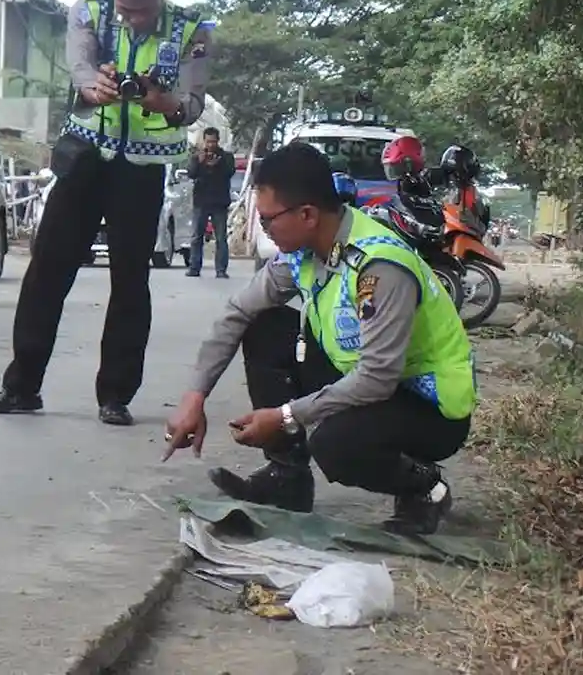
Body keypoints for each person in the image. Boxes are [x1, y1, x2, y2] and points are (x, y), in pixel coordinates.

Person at [161, 142, 476, 535]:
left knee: (334, 445)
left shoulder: (380, 267)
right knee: (265, 325)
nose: (265, 230)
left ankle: (425, 487)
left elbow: (377, 377)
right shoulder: (305, 252)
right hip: (372, 382)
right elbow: (237, 312)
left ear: (307, 214)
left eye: (269, 219)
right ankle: (286, 479)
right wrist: (195, 397)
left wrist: (284, 417)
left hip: (427, 407)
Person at [0, 0, 214, 426]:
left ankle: (116, 395)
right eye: (126, 9)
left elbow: (191, 104)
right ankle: (21, 386)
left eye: (142, 10)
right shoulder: (90, 9)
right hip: (85, 157)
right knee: (46, 271)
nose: (131, 19)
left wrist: (159, 99)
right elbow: (79, 65)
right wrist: (94, 87)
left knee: (130, 281)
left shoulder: (194, 30)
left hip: (142, 170)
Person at [185, 127, 234, 279]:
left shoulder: (226, 157)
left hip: (219, 202)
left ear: (218, 141)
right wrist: (201, 163)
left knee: (220, 238)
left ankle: (221, 270)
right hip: (201, 202)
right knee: (196, 237)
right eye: (208, 141)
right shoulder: (197, 156)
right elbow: (191, 174)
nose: (210, 145)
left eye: (213, 141)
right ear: (204, 141)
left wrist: (217, 165)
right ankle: (194, 267)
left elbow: (229, 172)